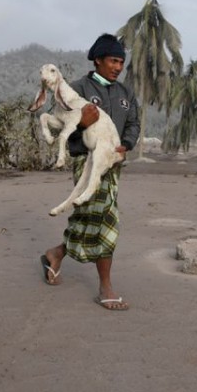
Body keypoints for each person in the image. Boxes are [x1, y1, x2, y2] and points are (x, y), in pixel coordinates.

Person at [32, 33, 140, 311]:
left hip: (113, 163)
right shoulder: (77, 88)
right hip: (85, 159)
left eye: (121, 63)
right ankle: (105, 287)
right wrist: (81, 124)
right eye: (113, 61)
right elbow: (58, 126)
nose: (118, 67)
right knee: (106, 217)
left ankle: (55, 254)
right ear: (98, 61)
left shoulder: (126, 93)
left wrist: (126, 145)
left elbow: (133, 124)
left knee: (87, 216)